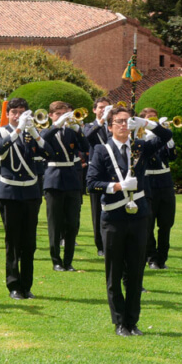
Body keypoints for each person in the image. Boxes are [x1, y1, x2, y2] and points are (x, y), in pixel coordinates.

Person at [87, 106, 172, 336]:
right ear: (110, 126)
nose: (124, 125)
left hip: (138, 217)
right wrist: (116, 186)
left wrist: (145, 123)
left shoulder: (140, 147)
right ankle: (119, 322)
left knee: (135, 271)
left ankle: (132, 321)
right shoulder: (101, 150)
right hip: (113, 218)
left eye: (127, 121)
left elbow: (166, 136)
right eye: (119, 121)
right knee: (114, 272)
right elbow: (91, 183)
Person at [0, 98, 54, 300]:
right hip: (9, 193)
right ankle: (13, 285)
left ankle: (27, 285)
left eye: (22, 112)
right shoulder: (0, 132)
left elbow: (49, 153)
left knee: (29, 242)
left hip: (30, 193)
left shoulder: (31, 134)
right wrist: (18, 129)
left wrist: (35, 133)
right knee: (13, 241)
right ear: (8, 114)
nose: (18, 115)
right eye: (14, 112)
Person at [42, 101, 89, 272]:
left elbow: (85, 147)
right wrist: (56, 125)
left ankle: (68, 261)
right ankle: (56, 260)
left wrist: (77, 129)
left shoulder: (70, 131)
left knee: (72, 223)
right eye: (58, 114)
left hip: (71, 178)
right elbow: (42, 141)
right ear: (50, 115)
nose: (61, 117)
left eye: (64, 114)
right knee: (55, 223)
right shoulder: (45, 130)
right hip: (53, 179)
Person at [139, 108, 177, 270]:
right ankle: (152, 257)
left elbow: (173, 156)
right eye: (149, 118)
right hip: (149, 183)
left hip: (165, 182)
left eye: (155, 118)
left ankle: (162, 258)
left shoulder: (163, 138)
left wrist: (168, 137)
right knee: (148, 224)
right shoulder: (142, 137)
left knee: (166, 223)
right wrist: (153, 132)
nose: (153, 120)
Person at [83, 97, 113, 257]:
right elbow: (87, 137)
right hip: (97, 171)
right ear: (94, 110)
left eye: (107, 107)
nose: (104, 110)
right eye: (101, 107)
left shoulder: (113, 126)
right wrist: (101, 121)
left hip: (113, 171)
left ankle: (112, 241)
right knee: (97, 210)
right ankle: (100, 245)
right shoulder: (89, 125)